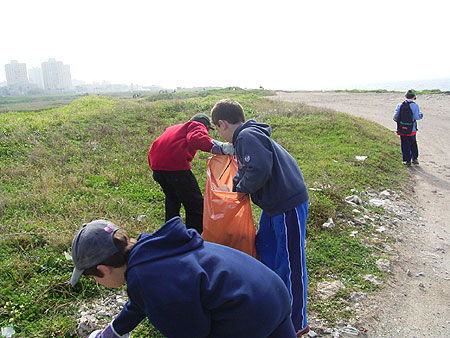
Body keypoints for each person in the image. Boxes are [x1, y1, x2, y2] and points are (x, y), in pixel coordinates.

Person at [70, 218, 297, 338]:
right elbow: (142, 300)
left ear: (103, 269)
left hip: (250, 316)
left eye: (94, 278)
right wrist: (116, 330)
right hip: (273, 295)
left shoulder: (146, 279)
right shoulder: (153, 248)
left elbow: (193, 332)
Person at [211, 99, 310, 337]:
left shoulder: (246, 137)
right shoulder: (247, 136)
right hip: (273, 206)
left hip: (287, 205)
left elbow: (258, 169)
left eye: (217, 129)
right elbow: (249, 169)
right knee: (267, 253)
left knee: (290, 263)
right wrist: (239, 183)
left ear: (222, 124)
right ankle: (275, 310)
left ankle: (297, 322)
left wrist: (240, 188)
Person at [148, 113, 233, 234]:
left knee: (172, 199)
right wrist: (222, 148)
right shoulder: (196, 125)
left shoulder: (174, 128)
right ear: (205, 125)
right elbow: (195, 139)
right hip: (175, 168)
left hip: (157, 168)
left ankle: (170, 233)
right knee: (195, 204)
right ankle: (194, 237)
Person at [393, 89, 424, 166]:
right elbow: (417, 117)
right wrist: (421, 115)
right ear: (414, 97)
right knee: (413, 143)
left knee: (404, 144)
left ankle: (406, 160)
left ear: (405, 96)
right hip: (412, 128)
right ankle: (415, 158)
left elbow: (395, 117)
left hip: (402, 128)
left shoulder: (400, 105)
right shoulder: (415, 106)